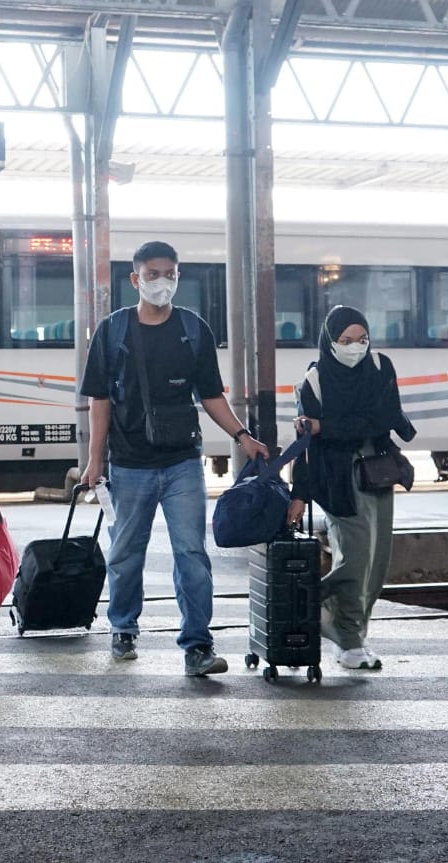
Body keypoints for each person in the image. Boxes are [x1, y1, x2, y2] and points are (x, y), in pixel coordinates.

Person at [79, 240, 268, 677]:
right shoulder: (113, 330)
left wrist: (242, 436)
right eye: (153, 274)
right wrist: (95, 459)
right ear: (135, 279)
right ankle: (123, 627)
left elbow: (210, 395)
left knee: (192, 554)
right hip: (129, 462)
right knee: (126, 551)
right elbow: (99, 399)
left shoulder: (193, 329)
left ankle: (197, 645)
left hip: (183, 460)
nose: (162, 282)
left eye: (170, 274)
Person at [287, 305, 416, 671]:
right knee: (355, 558)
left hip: (377, 471)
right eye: (345, 340)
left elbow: (384, 419)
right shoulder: (314, 380)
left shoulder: (380, 366)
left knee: (377, 561)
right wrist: (299, 494)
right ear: (330, 341)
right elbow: (306, 443)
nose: (355, 347)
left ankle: (345, 625)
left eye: (362, 339)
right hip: (337, 478)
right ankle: (346, 636)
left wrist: (326, 426)